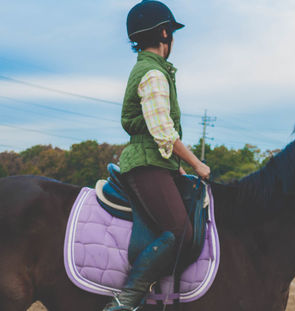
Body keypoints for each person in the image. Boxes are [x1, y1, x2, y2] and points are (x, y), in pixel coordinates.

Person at [103, 1, 210, 310]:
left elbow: (157, 134)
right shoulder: (153, 74)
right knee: (179, 232)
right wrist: (197, 164)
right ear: (165, 33)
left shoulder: (156, 71)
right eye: (172, 32)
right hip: (145, 165)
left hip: (157, 164)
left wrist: (175, 168)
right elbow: (163, 130)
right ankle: (127, 299)